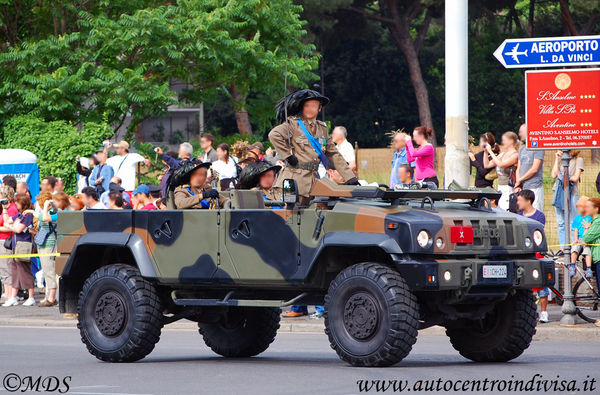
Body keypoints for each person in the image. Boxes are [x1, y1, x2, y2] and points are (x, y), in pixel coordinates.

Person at [269, 89, 358, 206]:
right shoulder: (293, 124)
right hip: (293, 180)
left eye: (314, 106)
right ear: (302, 108)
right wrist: (288, 156)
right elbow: (273, 135)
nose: (310, 109)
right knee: (290, 217)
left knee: (311, 218)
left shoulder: (322, 128)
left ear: (319, 108)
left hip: (313, 181)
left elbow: (333, 153)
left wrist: (350, 177)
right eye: (307, 106)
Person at [515, 189, 548, 323]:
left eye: (520, 200)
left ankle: (544, 312)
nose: (517, 202)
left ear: (528, 201)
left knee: (541, 284)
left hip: (536, 254)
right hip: (523, 254)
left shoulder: (539, 216)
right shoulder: (517, 216)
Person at [2, 194, 36, 307]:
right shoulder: (20, 214)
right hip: (15, 245)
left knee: (25, 271)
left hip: (24, 245)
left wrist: (11, 227)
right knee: (15, 271)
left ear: (23, 203)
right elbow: (7, 221)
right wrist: (4, 209)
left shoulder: (28, 215)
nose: (16, 204)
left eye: (18, 202)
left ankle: (31, 296)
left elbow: (18, 229)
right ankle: (13, 296)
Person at [551, 150, 584, 254]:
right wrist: (557, 159)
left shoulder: (578, 160)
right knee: (561, 222)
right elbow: (553, 175)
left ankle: (573, 247)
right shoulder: (562, 160)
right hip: (559, 191)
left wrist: (562, 176)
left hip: (572, 192)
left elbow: (575, 178)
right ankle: (563, 247)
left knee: (572, 221)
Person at [484, 131, 519, 211]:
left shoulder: (515, 155)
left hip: (509, 187)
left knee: (506, 209)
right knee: (501, 208)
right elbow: (487, 165)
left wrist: (490, 151)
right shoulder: (502, 154)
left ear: (511, 141)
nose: (502, 142)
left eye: (504, 140)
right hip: (500, 186)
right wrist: (486, 153)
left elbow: (501, 164)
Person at [36, 191, 59, 307]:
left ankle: (51, 298)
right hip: (42, 244)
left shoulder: (52, 212)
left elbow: (43, 218)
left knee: (50, 271)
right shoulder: (46, 212)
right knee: (46, 271)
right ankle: (49, 296)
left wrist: (45, 207)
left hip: (49, 244)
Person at [515, 124, 545, 211]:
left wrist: (520, 180)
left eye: (521, 132)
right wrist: (518, 183)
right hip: (524, 187)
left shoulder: (538, 147)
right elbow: (518, 168)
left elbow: (534, 169)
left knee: (535, 211)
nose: (519, 134)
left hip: (535, 186)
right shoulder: (522, 149)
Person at [581, 197, 600, 327]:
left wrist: (586, 229)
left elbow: (586, 238)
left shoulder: (598, 221)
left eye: (588, 206)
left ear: (596, 208)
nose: (585, 208)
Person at [0, 185, 18, 301]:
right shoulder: (5, 208)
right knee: (3, 267)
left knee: (7, 267)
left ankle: (10, 294)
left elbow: (10, 227)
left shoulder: (12, 209)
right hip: (2, 239)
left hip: (6, 240)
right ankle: (6, 292)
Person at [569, 196, 593, 277]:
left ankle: (588, 269)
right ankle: (572, 266)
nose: (578, 209)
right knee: (574, 250)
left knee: (587, 251)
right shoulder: (577, 218)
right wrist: (575, 239)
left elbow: (590, 228)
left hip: (587, 240)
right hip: (579, 239)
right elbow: (575, 230)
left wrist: (586, 238)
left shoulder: (590, 217)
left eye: (579, 207)